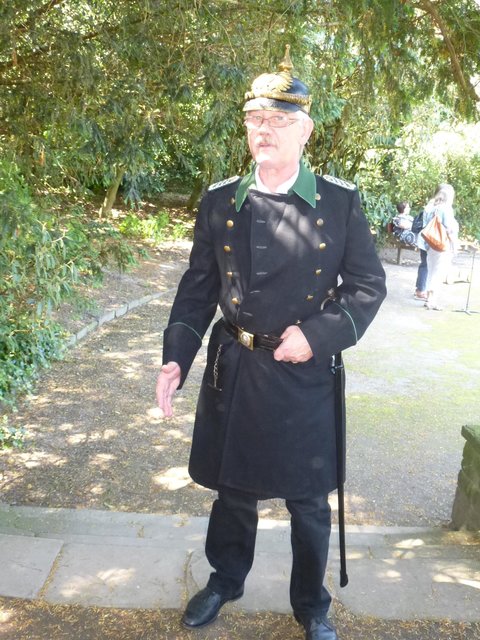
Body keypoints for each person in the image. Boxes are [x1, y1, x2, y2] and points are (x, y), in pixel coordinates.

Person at [156, 46, 387, 640]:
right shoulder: (219, 200)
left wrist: (316, 335)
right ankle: (225, 580)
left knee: (309, 502)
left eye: (280, 121)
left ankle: (311, 604)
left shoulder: (339, 202)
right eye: (256, 119)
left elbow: (367, 286)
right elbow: (197, 287)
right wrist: (174, 358)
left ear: (305, 130)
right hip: (234, 367)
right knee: (234, 491)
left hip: (305, 374)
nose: (265, 131)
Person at [415, 184, 458, 310]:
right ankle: (431, 300)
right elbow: (449, 230)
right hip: (442, 245)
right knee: (438, 273)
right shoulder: (447, 209)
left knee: (431, 270)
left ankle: (429, 298)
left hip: (430, 244)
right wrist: (454, 246)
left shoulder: (430, 208)